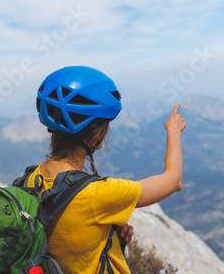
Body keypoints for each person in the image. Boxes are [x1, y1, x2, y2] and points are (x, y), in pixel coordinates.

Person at [27, 66, 186, 274]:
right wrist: (173, 130)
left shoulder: (32, 178)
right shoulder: (98, 194)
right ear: (94, 133)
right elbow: (173, 180)